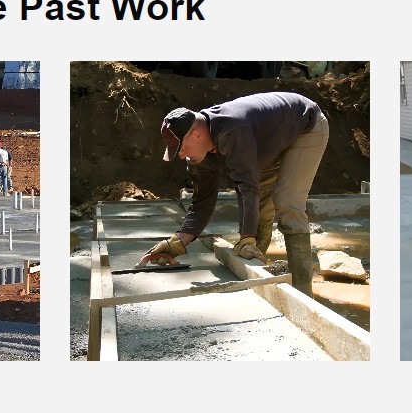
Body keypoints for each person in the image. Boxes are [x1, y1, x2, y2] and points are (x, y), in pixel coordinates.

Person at [139, 92, 330, 293]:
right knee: (260, 212)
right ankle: (258, 276)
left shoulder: (232, 129)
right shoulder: (199, 156)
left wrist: (246, 238)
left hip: (305, 126)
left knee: (286, 201)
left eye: (181, 148)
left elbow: (247, 186)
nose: (181, 155)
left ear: (196, 135)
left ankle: (302, 287)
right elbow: (202, 203)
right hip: (266, 144)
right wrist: (176, 243)